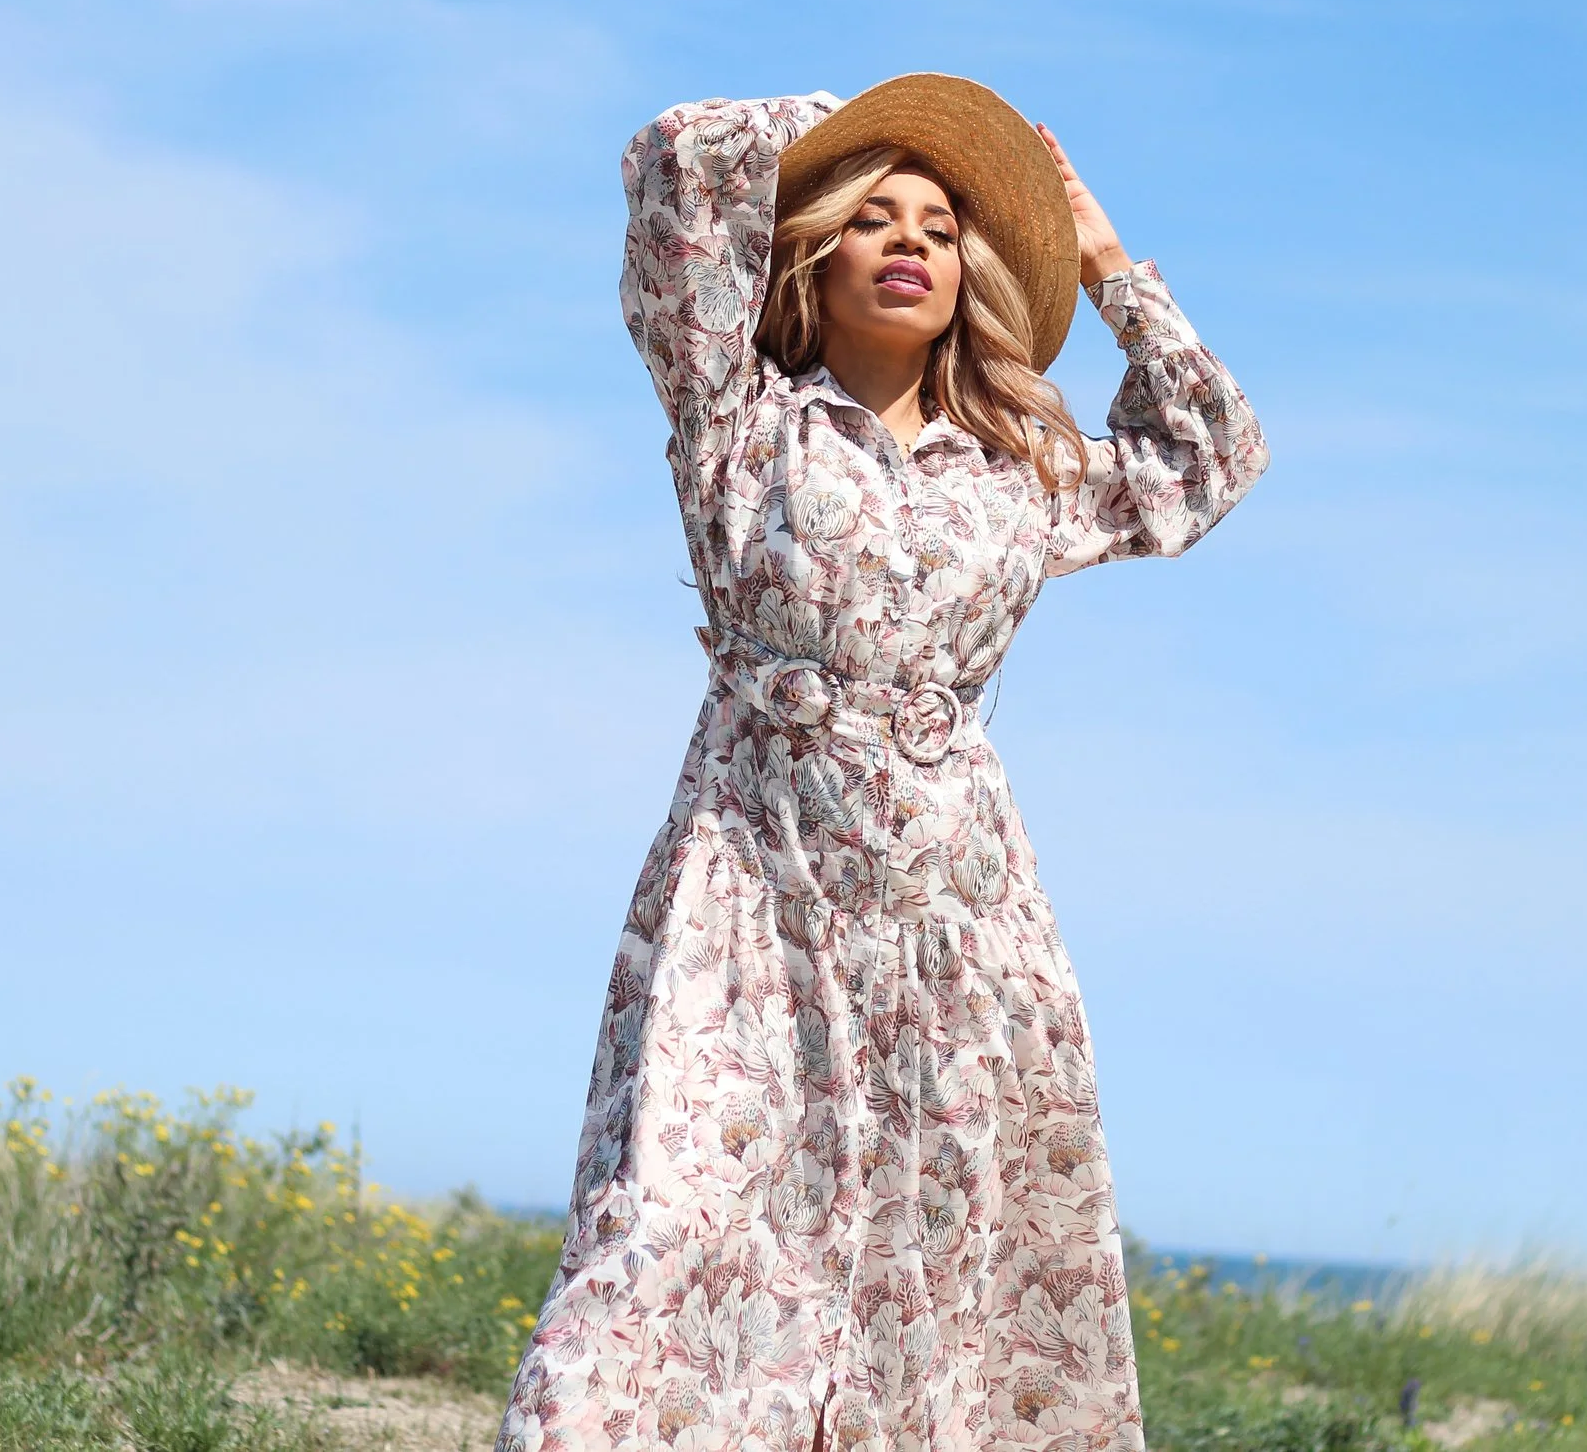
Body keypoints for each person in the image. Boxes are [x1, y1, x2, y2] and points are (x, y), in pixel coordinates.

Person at [498, 75, 1268, 1452]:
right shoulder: (737, 417)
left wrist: (1098, 257)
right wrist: (864, 120)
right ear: (819, 253)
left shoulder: (1021, 468)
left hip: (955, 927)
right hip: (751, 899)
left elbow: (1211, 454)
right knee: (662, 1250)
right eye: (874, 216)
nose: (912, 236)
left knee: (942, 1298)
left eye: (943, 220)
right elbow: (677, 166)